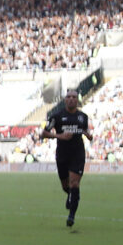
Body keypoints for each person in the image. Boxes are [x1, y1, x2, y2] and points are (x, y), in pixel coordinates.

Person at [41, 89, 93, 227]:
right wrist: (59, 136)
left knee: (74, 183)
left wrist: (88, 135)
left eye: (74, 97)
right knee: (66, 186)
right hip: (62, 154)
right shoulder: (56, 116)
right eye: (68, 97)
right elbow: (44, 133)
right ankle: (71, 195)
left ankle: (72, 216)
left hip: (78, 154)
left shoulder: (83, 117)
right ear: (65, 100)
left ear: (77, 100)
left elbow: (85, 130)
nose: (71, 99)